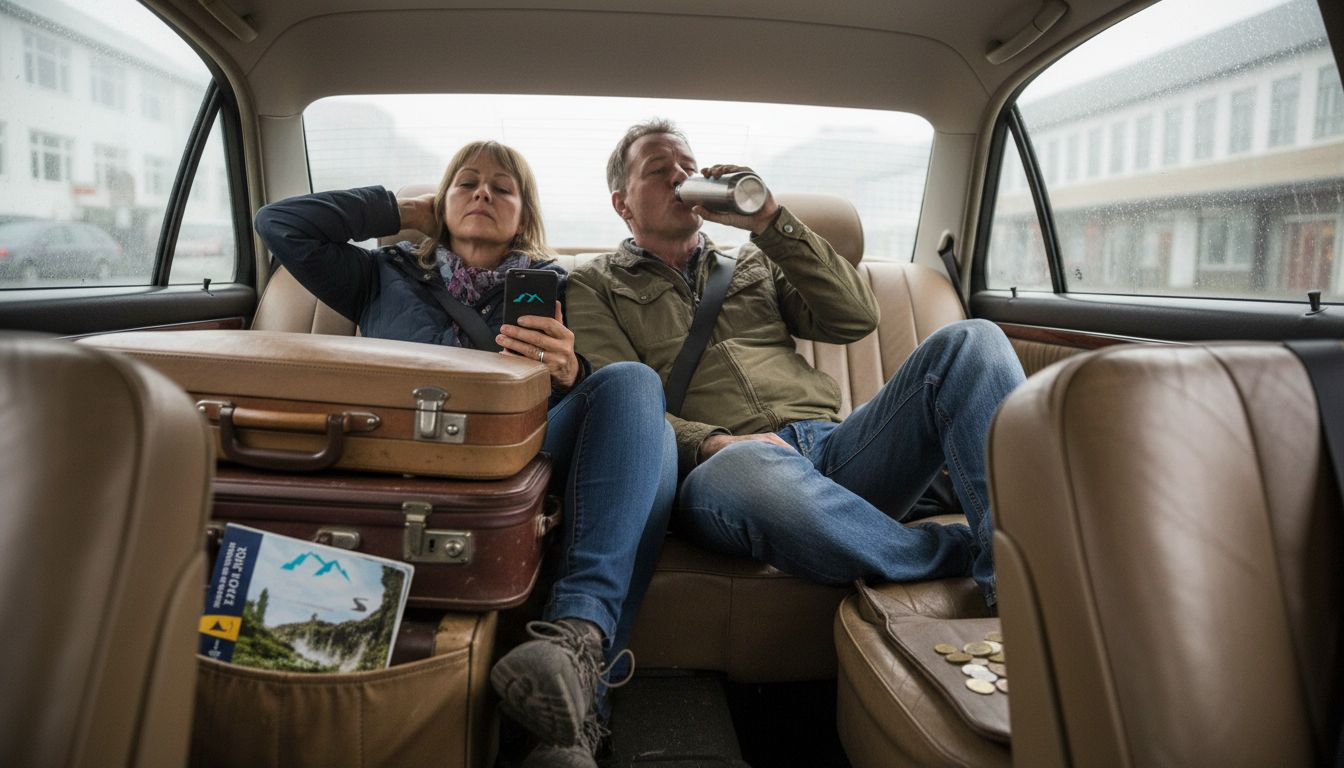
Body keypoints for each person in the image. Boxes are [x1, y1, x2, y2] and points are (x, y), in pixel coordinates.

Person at [254, 140, 676, 768]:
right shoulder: (380, 273)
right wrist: (406, 210)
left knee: (637, 386)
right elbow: (279, 224)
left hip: (526, 460)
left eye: (503, 188)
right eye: (467, 184)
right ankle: (575, 721)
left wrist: (568, 371)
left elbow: (609, 404)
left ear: (523, 214)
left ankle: (576, 638)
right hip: (405, 458)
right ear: (440, 201)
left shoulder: (563, 284)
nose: (483, 193)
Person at [565, 119, 1026, 610]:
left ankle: (1022, 589)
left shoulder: (753, 262)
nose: (680, 178)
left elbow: (856, 317)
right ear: (622, 204)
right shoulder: (593, 284)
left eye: (688, 167)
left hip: (835, 448)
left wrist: (769, 223)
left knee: (974, 340)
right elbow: (614, 402)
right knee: (746, 467)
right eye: (660, 170)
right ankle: (949, 551)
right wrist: (712, 442)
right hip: (722, 471)